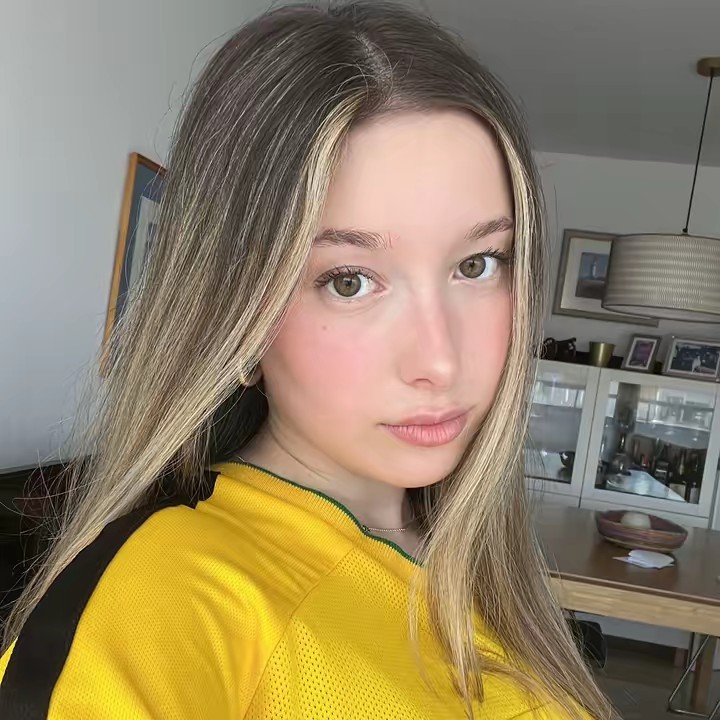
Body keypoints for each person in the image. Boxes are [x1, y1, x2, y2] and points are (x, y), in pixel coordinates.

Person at [0, 2, 614, 718]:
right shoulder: (172, 588)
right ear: (239, 315)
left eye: (477, 264)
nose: (440, 361)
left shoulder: (473, 558)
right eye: (348, 281)